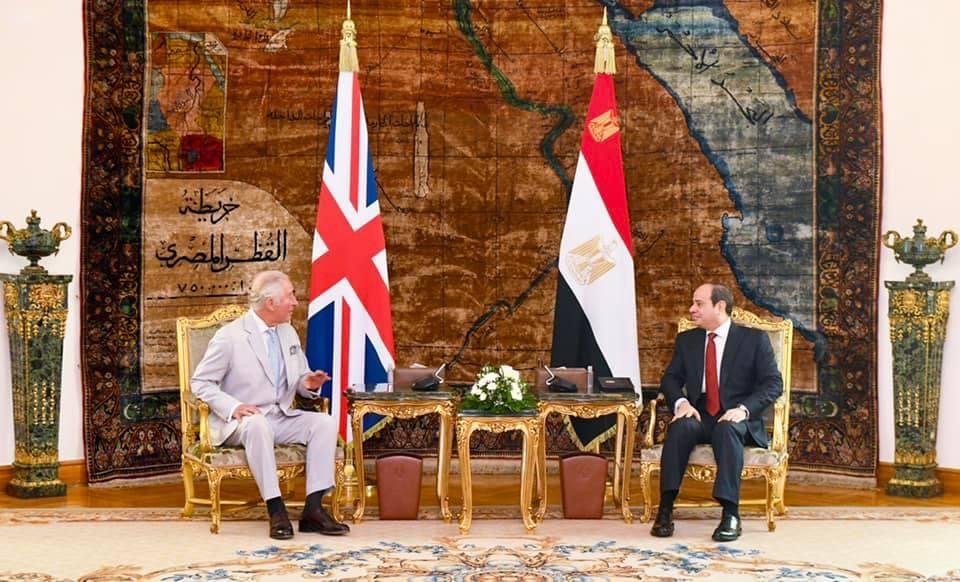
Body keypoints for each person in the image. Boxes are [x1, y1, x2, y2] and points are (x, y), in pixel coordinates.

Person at [192, 270, 349, 540]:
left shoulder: (288, 332)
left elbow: (299, 377)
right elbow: (201, 382)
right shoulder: (230, 337)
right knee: (258, 425)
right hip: (243, 422)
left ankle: (313, 509)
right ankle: (276, 509)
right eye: (290, 296)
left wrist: (309, 383)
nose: (295, 302)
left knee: (324, 423)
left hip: (280, 415)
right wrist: (233, 406)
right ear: (270, 303)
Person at [651, 283, 782, 541]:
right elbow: (670, 379)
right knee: (680, 426)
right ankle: (665, 509)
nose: (692, 309)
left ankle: (731, 514)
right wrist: (682, 403)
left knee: (727, 430)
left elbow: (773, 384)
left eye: (699, 304)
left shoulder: (753, 340)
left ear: (719, 306)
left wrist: (744, 410)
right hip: (700, 414)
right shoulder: (688, 340)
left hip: (736, 418)